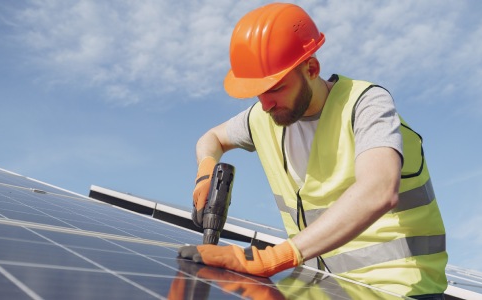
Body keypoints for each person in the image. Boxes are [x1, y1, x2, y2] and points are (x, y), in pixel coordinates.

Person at [178, 2, 448, 299]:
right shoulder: (264, 117)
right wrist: (206, 169)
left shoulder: (365, 104)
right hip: (316, 284)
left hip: (395, 288)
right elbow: (211, 138)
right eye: (258, 91)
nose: (266, 103)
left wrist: (274, 258)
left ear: (311, 68)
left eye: (276, 87)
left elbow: (379, 188)